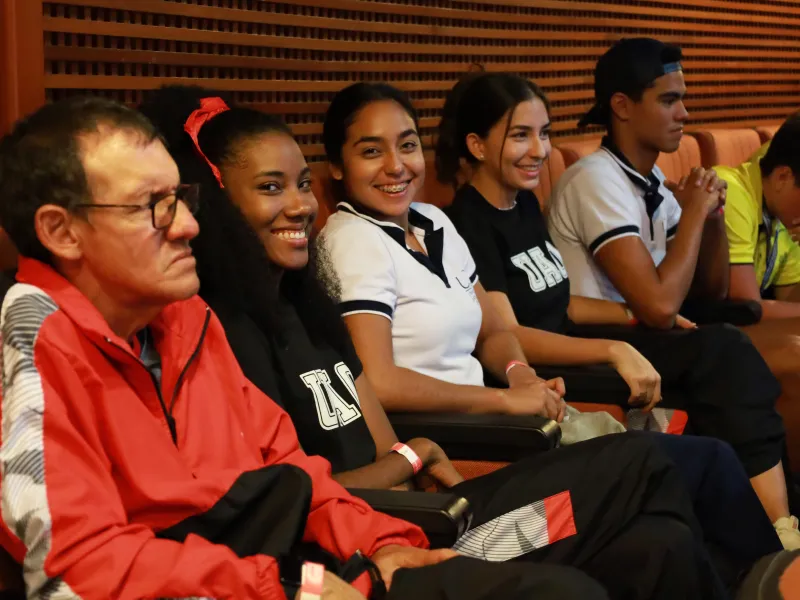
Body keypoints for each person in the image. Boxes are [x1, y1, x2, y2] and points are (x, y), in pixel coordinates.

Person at [139, 83, 777, 599]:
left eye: (301, 184)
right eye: (270, 188)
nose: (301, 206)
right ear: (215, 204)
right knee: (652, 463)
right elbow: (293, 499)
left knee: (661, 543)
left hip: (428, 501)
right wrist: (414, 456)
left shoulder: (307, 305)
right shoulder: (219, 333)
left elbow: (407, 404)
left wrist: (469, 414)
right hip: (415, 533)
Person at [0, 96, 617, 600]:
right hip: (278, 581)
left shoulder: (187, 319)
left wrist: (383, 544)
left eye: (182, 200)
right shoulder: (33, 336)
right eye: (153, 208)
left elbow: (296, 473)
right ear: (61, 230)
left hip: (323, 565)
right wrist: (293, 586)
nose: (188, 224)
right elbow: (75, 571)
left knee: (620, 552)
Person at [436, 70, 800, 548]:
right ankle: (775, 537)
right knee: (722, 356)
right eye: (521, 135)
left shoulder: (522, 205)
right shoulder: (467, 223)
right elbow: (510, 333)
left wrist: (630, 317)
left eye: (544, 134)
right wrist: (613, 349)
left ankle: (778, 522)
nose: (540, 150)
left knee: (718, 349)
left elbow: (561, 301)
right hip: (550, 368)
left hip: (577, 341)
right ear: (477, 146)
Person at [547, 38, 729, 327]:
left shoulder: (653, 178)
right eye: (668, 101)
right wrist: (694, 213)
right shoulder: (594, 180)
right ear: (622, 106)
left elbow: (711, 291)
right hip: (605, 340)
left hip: (647, 334)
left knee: (738, 321)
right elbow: (659, 309)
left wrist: (712, 214)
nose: (684, 113)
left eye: (682, 99)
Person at [719, 113, 800, 318]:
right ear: (783, 177)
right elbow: (748, 308)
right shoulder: (730, 192)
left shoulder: (785, 215)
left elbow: (789, 299)